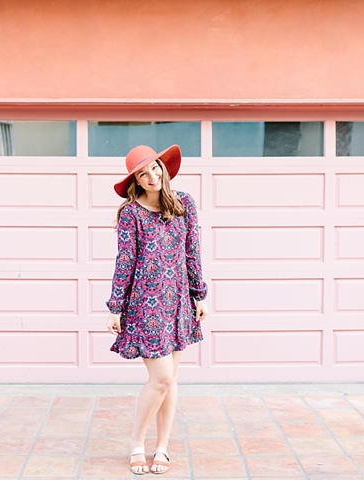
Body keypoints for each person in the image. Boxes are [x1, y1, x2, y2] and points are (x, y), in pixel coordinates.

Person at [106, 144, 209, 475]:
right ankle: (137, 441)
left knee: (172, 380)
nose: (151, 177)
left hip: (177, 301)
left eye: (154, 168)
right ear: (135, 180)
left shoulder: (184, 204)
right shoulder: (131, 214)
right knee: (162, 378)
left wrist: (199, 295)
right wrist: (115, 307)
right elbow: (125, 261)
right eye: (142, 173)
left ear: (163, 168)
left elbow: (192, 252)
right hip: (144, 304)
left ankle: (162, 448)